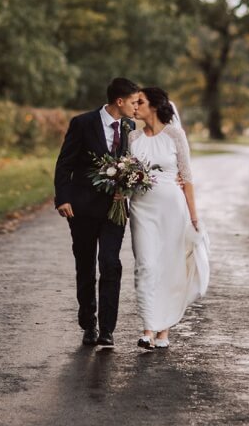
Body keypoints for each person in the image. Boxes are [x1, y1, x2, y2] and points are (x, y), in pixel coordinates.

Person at [53, 77, 141, 347]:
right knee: (86, 265)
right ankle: (88, 323)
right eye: (134, 102)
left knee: (111, 264)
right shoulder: (82, 123)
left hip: (114, 210)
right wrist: (63, 199)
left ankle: (107, 329)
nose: (137, 107)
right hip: (81, 208)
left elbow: (135, 166)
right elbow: (64, 163)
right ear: (119, 101)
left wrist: (125, 189)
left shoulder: (130, 127)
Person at [127, 86, 209, 350]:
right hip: (141, 207)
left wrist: (194, 218)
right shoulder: (133, 137)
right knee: (146, 265)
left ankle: (163, 330)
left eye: (140, 102)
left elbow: (186, 177)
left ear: (154, 106)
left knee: (170, 265)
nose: (135, 106)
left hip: (173, 208)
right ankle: (147, 329)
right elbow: (126, 173)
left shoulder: (175, 135)